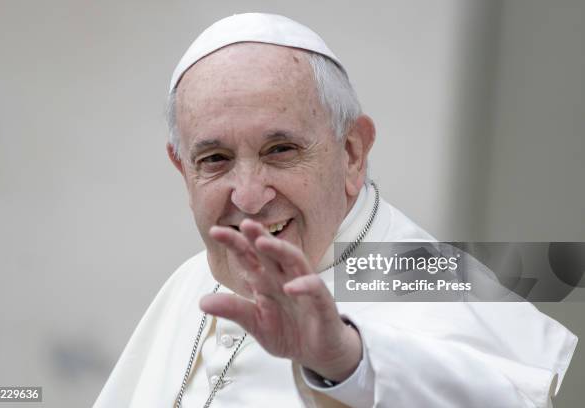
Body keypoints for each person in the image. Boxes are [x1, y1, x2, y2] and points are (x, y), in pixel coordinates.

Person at [94, 13, 577, 407]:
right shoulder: (190, 282)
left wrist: (346, 363)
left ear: (351, 153)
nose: (248, 196)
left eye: (279, 150)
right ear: (183, 169)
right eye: (214, 159)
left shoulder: (423, 276)